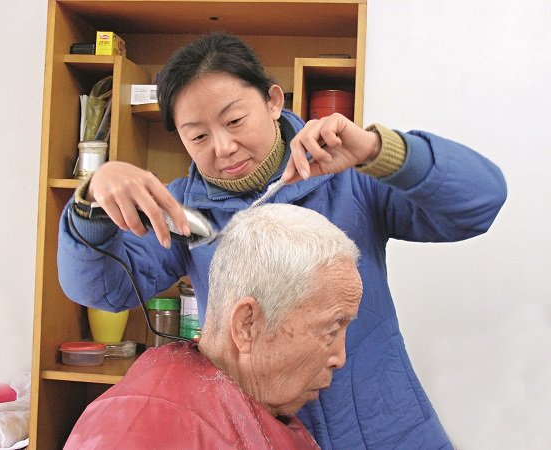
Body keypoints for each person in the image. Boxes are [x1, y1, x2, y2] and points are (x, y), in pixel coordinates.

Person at [58, 32, 507, 449]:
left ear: (273, 100)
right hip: (265, 434)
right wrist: (91, 201)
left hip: (386, 427)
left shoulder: (346, 178)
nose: (224, 147)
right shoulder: (181, 213)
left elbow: (479, 203)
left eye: (234, 120)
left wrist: (375, 151)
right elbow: (101, 289)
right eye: (198, 136)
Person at [63, 204, 363, 449]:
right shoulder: (142, 431)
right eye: (331, 330)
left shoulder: (261, 403)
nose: (340, 358)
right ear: (247, 325)